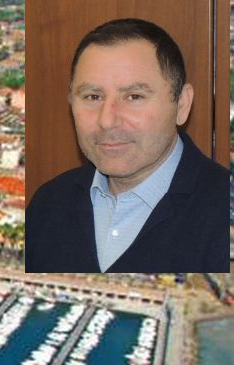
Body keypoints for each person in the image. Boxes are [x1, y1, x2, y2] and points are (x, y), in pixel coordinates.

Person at [26, 18, 229, 273]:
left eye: (134, 97)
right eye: (93, 96)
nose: (107, 120)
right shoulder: (48, 205)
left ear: (182, 105)